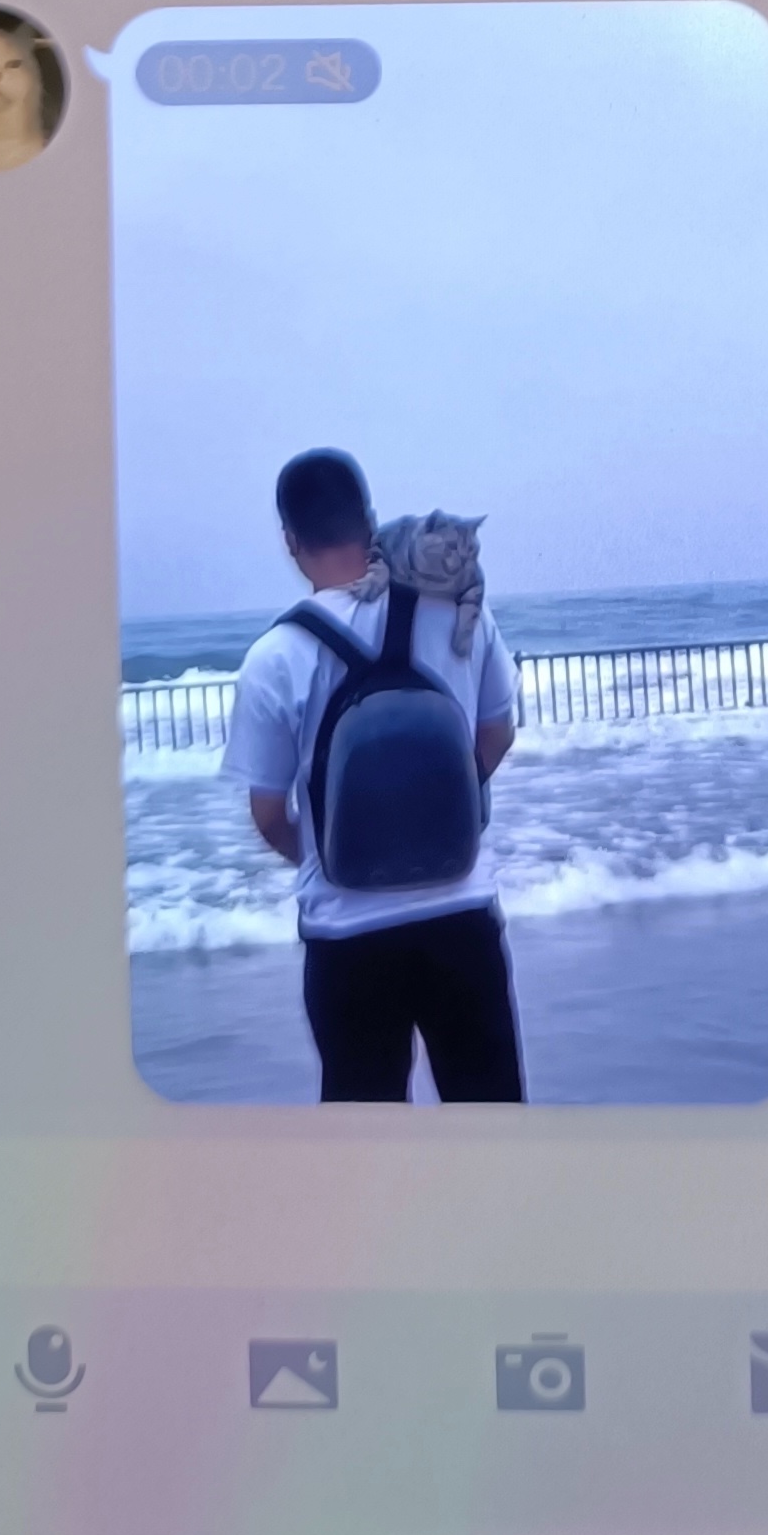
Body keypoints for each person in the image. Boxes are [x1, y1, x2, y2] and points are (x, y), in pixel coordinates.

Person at [222, 447, 526, 1102]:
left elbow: (269, 815)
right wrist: (438, 813)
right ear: (369, 519)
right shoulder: (459, 615)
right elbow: (498, 731)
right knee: (495, 1129)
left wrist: (343, 847)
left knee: (364, 1141)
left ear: (291, 540)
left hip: (347, 937)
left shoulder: (274, 656)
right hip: (462, 917)